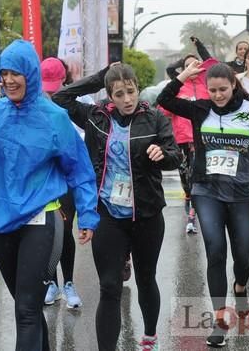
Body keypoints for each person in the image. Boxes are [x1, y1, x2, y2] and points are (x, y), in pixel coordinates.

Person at [0, 40, 99, 351]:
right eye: (4, 73)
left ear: (30, 73)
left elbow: (79, 169)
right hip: (1, 223)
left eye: (16, 72)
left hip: (40, 219)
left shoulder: (54, 116)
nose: (8, 80)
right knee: (24, 304)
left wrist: (87, 213)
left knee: (27, 310)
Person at [157, 62, 249, 348]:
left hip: (243, 192)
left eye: (223, 90)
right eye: (213, 90)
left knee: (243, 257)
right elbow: (164, 100)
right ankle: (220, 320)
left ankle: (240, 287)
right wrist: (182, 77)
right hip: (207, 190)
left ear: (233, 86)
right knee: (215, 251)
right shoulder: (200, 109)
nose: (217, 95)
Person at [53, 63, 182, 351]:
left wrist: (163, 154)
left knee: (146, 279)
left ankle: (149, 337)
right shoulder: (96, 116)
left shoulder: (155, 118)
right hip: (109, 213)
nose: (127, 99)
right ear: (110, 95)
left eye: (131, 91)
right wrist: (100, 77)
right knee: (109, 287)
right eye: (119, 93)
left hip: (146, 214)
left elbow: (176, 156)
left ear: (138, 88)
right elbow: (61, 97)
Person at [162, 36, 220, 234]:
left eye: (195, 64)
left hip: (203, 140)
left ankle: (195, 209)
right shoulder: (178, 89)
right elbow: (165, 111)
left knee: (198, 175)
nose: (192, 68)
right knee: (186, 176)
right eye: (187, 66)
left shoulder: (208, 88)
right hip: (182, 139)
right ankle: (188, 195)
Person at [39, 57, 84, 309]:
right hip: (43, 179)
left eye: (54, 85)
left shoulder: (77, 102)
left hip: (67, 178)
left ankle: (68, 283)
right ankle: (51, 283)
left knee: (64, 231)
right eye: (46, 85)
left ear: (64, 79)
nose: (50, 91)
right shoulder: (31, 102)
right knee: (47, 233)